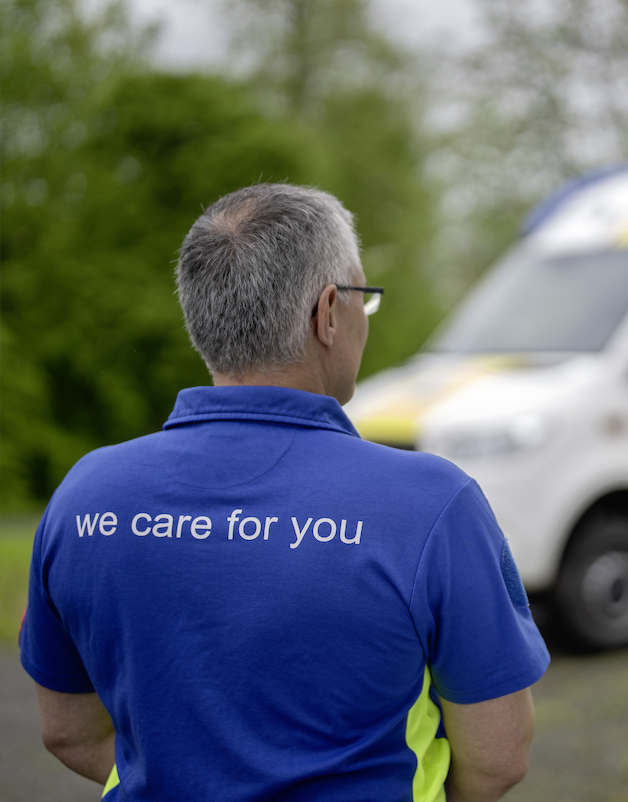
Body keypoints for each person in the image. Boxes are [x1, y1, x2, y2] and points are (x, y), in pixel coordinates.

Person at [20, 183, 550, 802]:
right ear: (327, 312)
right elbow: (498, 757)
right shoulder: (431, 504)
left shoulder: (84, 496)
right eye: (362, 299)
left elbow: (69, 734)